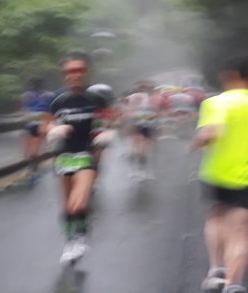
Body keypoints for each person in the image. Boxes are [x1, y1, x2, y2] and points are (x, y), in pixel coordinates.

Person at [189, 56, 248, 293]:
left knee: (216, 217)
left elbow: (209, 133)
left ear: (230, 75)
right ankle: (234, 284)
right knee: (240, 229)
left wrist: (195, 144)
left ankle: (216, 270)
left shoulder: (215, 103)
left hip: (216, 173)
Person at [40, 53, 114, 266]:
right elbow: (44, 124)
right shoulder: (56, 100)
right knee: (66, 207)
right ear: (63, 74)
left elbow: (110, 120)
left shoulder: (97, 98)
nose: (75, 75)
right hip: (64, 156)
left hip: (87, 155)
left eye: (79, 70)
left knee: (77, 203)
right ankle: (69, 242)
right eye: (70, 71)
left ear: (86, 72)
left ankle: (81, 237)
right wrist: (52, 129)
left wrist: (107, 133)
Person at [123, 80, 162, 180]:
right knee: (140, 149)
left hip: (146, 125)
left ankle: (139, 170)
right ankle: (137, 170)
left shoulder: (152, 98)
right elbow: (126, 111)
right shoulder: (139, 97)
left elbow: (158, 112)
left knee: (144, 149)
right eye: (144, 87)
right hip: (140, 125)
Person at [20, 78, 55, 184]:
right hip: (42, 121)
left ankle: (30, 168)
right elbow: (52, 109)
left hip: (29, 122)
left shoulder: (26, 95)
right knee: (39, 149)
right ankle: (33, 172)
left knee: (30, 149)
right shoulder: (49, 95)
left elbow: (23, 109)